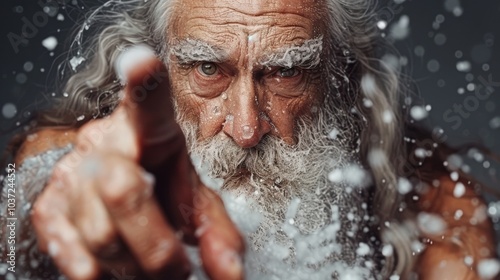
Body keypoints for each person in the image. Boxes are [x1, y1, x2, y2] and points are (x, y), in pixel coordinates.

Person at [1, 0, 497, 279]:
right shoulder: (80, 151)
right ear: (156, 66)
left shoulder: (435, 213)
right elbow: (46, 180)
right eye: (207, 68)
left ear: (338, 77)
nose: (245, 128)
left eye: (285, 74)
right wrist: (62, 190)